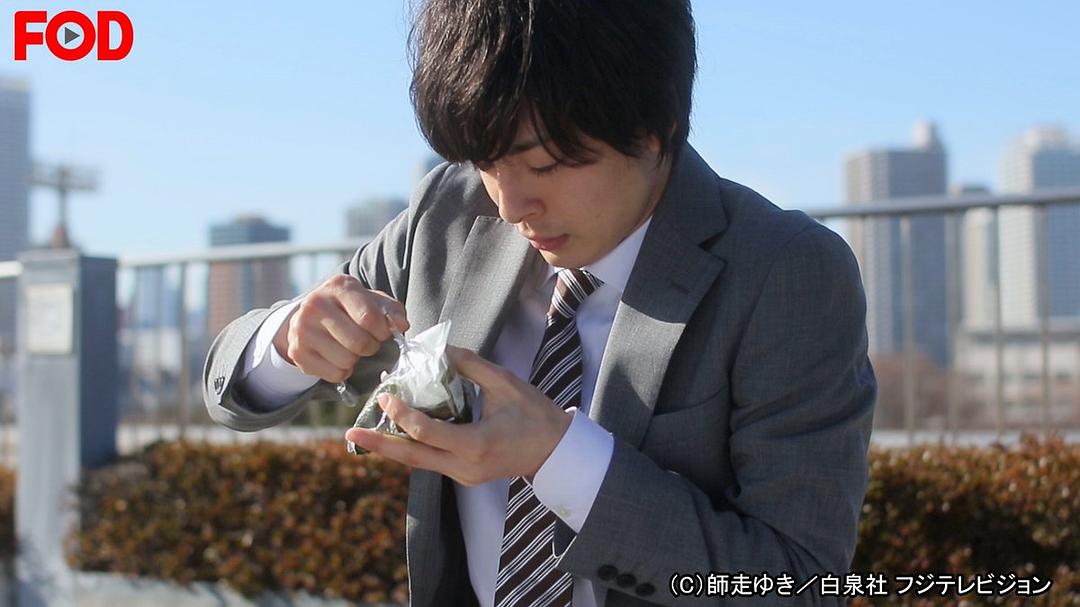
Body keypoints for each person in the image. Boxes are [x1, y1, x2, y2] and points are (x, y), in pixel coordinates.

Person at [203, 0, 877, 605]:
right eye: (487, 160)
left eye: (546, 165)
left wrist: (560, 456)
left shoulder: (783, 271)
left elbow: (800, 582)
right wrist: (291, 339)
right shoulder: (451, 211)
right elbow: (227, 386)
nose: (511, 204)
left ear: (656, 126)